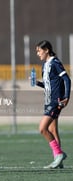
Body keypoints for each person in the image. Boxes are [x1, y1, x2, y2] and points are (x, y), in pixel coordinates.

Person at [35, 40, 71, 169]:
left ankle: (59, 154)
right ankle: (58, 160)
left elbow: (67, 79)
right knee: (52, 129)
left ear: (46, 50)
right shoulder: (44, 65)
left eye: (39, 51)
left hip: (55, 101)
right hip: (48, 100)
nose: (38, 54)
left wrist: (66, 97)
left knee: (42, 128)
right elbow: (49, 85)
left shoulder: (55, 63)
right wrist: (37, 83)